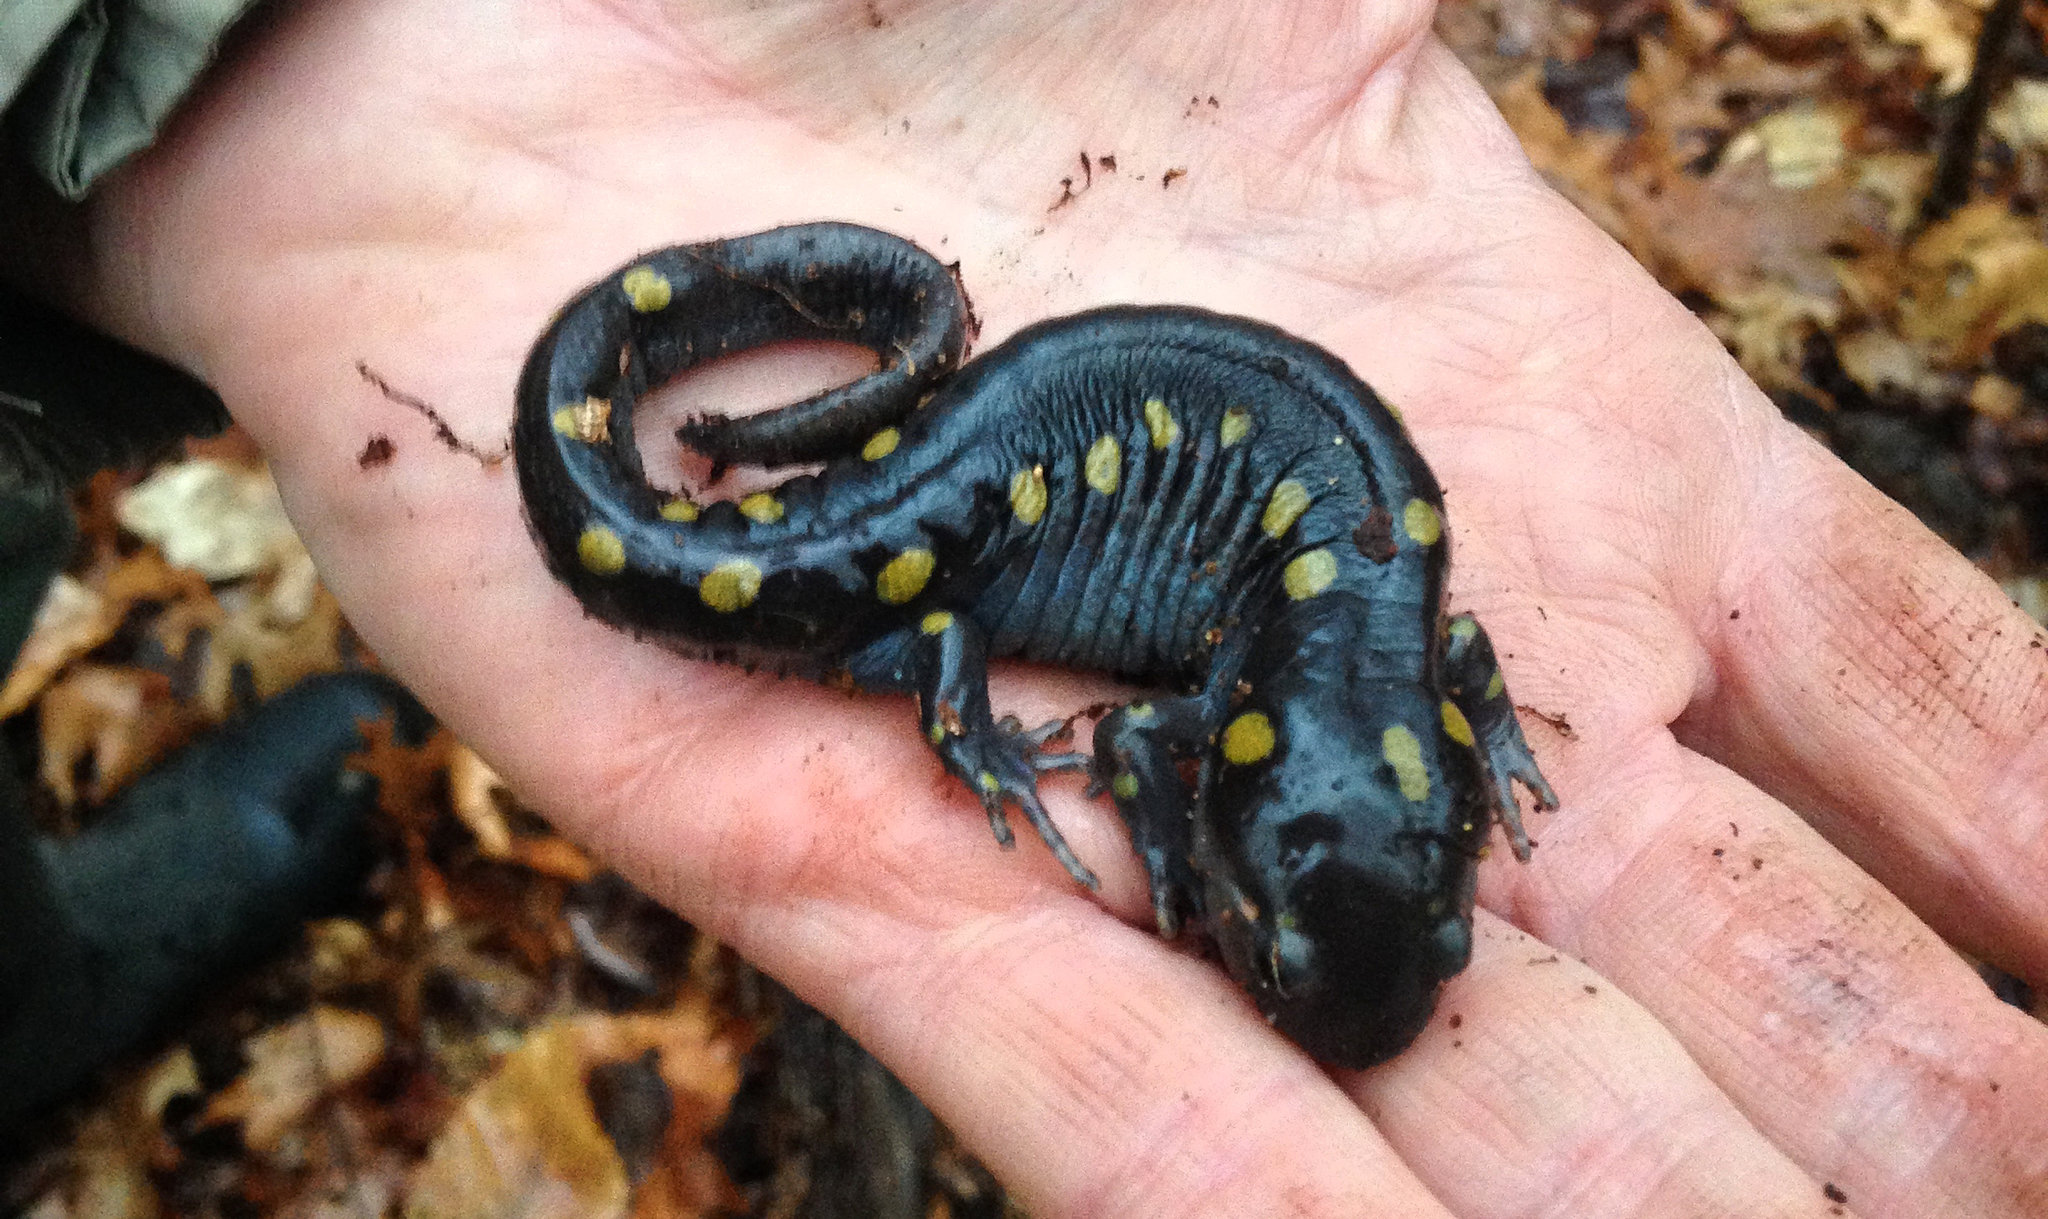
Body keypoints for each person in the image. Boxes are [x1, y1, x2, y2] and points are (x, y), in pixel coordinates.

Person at [4, 2, 2043, 1213]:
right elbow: (1196, 738)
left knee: (901, 565)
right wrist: (1108, 798)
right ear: (1398, 780)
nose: (1229, 914)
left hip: (1011, 483)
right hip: (990, 504)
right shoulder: (1362, 656)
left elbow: (1346, 709)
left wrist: (1439, 763)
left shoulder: (1396, 660)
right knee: (888, 578)